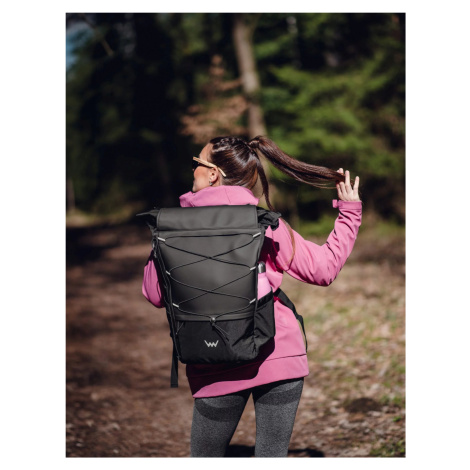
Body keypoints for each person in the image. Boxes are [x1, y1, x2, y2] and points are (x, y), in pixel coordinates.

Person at [142, 135, 362, 457]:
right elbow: (323, 269)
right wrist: (349, 213)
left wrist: (162, 246)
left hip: (212, 360)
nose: (192, 170)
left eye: (196, 163)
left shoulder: (173, 229)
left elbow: (153, 294)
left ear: (212, 173)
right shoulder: (265, 224)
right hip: (277, 354)